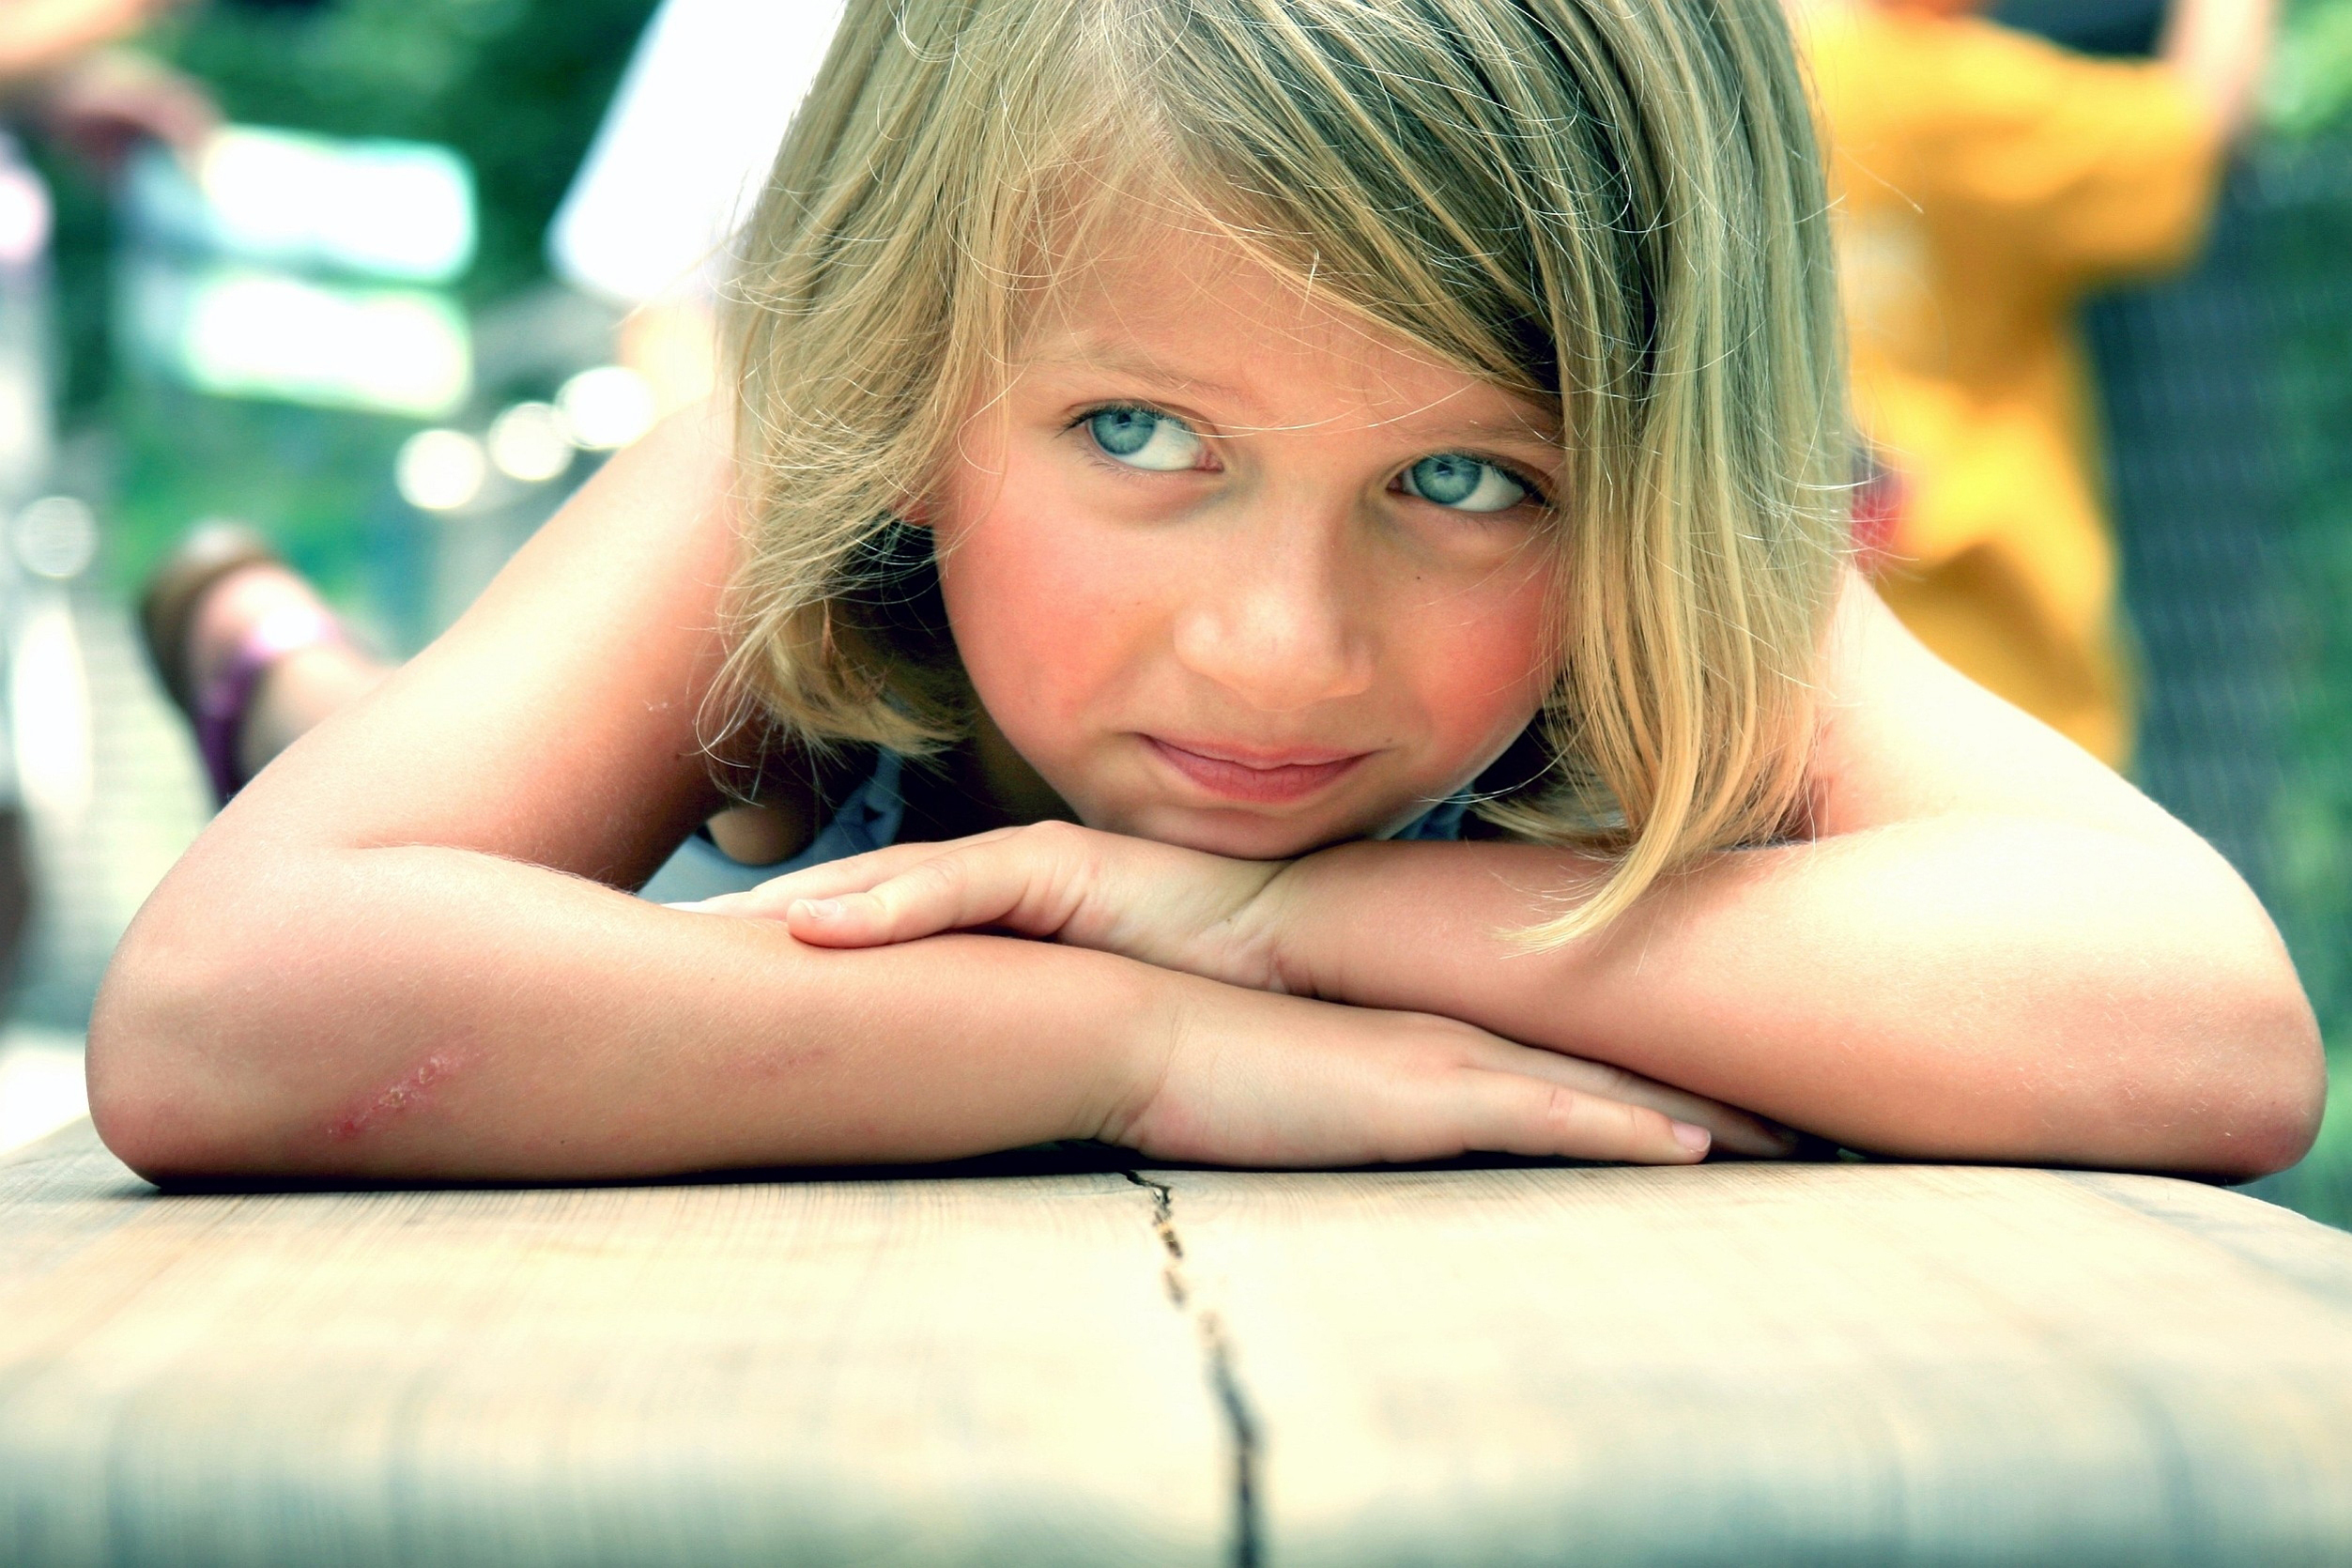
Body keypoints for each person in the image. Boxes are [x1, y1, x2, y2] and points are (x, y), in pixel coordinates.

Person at [90, 0, 2322, 1184]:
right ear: (919, 366)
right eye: (1140, 440)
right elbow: (228, 1012)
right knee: (376, 764)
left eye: (1462, 477)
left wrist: (1277, 927)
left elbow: (2194, 1025)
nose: (1279, 643)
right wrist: (1135, 1039)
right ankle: (287, 670)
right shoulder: (811, 452)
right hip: (751, 792)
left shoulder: (1665, 534)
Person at [1800, 0, 2277, 765]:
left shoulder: (1712, 82)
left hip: (1774, 685)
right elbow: (2187, 132)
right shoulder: (1943, 93)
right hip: (1981, 679)